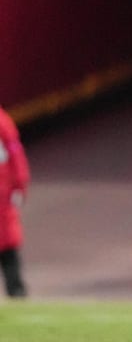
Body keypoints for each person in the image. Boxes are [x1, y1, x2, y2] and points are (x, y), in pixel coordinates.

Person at [0, 105, 29, 298]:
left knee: (8, 245)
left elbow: (15, 153)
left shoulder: (2, 123)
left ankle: (16, 291)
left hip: (2, 195)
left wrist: (19, 184)